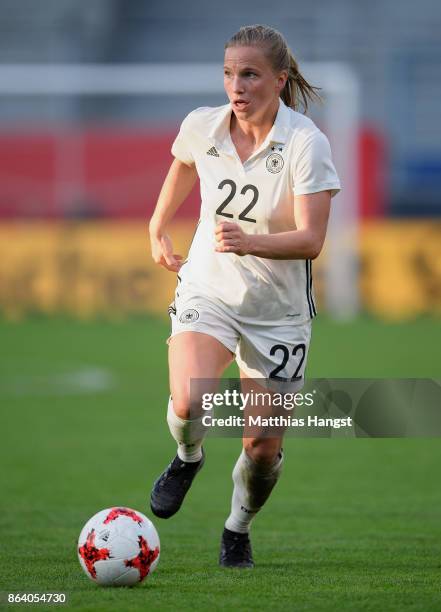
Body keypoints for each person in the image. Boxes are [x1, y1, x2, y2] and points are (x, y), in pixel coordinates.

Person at [148, 24, 340, 568]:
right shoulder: (202, 125)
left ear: (279, 81)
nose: (237, 84)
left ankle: (237, 527)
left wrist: (249, 241)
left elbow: (313, 240)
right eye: (230, 73)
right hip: (208, 287)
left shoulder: (306, 142)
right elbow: (184, 162)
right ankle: (187, 456)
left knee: (261, 449)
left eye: (251, 74)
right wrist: (158, 224)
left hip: (277, 314)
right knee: (189, 398)